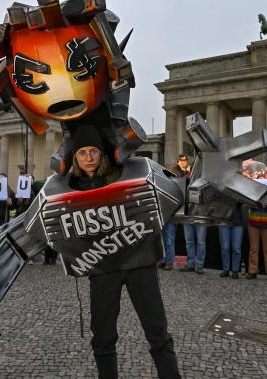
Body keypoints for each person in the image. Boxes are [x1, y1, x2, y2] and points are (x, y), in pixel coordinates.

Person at [68, 125, 180, 378]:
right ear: (75, 157)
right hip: (103, 268)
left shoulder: (124, 173)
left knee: (157, 332)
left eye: (93, 151)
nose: (88, 157)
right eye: (82, 152)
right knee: (103, 336)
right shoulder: (68, 188)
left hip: (139, 262)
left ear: (102, 154)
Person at [158, 154, 189, 271]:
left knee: (169, 239)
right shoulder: (166, 182)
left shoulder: (181, 179)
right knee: (163, 239)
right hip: (164, 213)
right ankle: (162, 260)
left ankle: (169, 262)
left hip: (173, 214)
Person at [246, 187, 267, 282]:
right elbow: (249, 205)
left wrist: (265, 201)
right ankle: (252, 271)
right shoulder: (252, 191)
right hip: (253, 223)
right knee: (253, 249)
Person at [218, 203, 244, 279]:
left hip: (238, 221)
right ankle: (226, 269)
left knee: (236, 248)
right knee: (225, 247)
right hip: (223, 220)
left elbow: (245, 201)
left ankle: (235, 271)